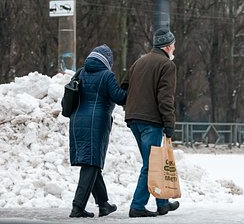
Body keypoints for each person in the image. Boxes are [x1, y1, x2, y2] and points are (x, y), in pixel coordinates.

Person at [121, 28, 180, 218]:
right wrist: (169, 124)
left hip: (134, 119)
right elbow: (165, 99)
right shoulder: (166, 65)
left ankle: (162, 203)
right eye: (174, 45)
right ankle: (137, 206)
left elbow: (124, 87)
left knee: (153, 161)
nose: (174, 49)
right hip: (151, 122)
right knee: (151, 164)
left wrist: (132, 106)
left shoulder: (139, 62)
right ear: (169, 46)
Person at [68, 44, 127, 218]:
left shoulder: (80, 72)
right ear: (108, 60)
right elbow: (119, 96)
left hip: (77, 121)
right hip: (96, 122)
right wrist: (130, 87)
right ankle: (77, 207)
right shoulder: (107, 75)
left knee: (91, 163)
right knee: (91, 164)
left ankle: (103, 204)